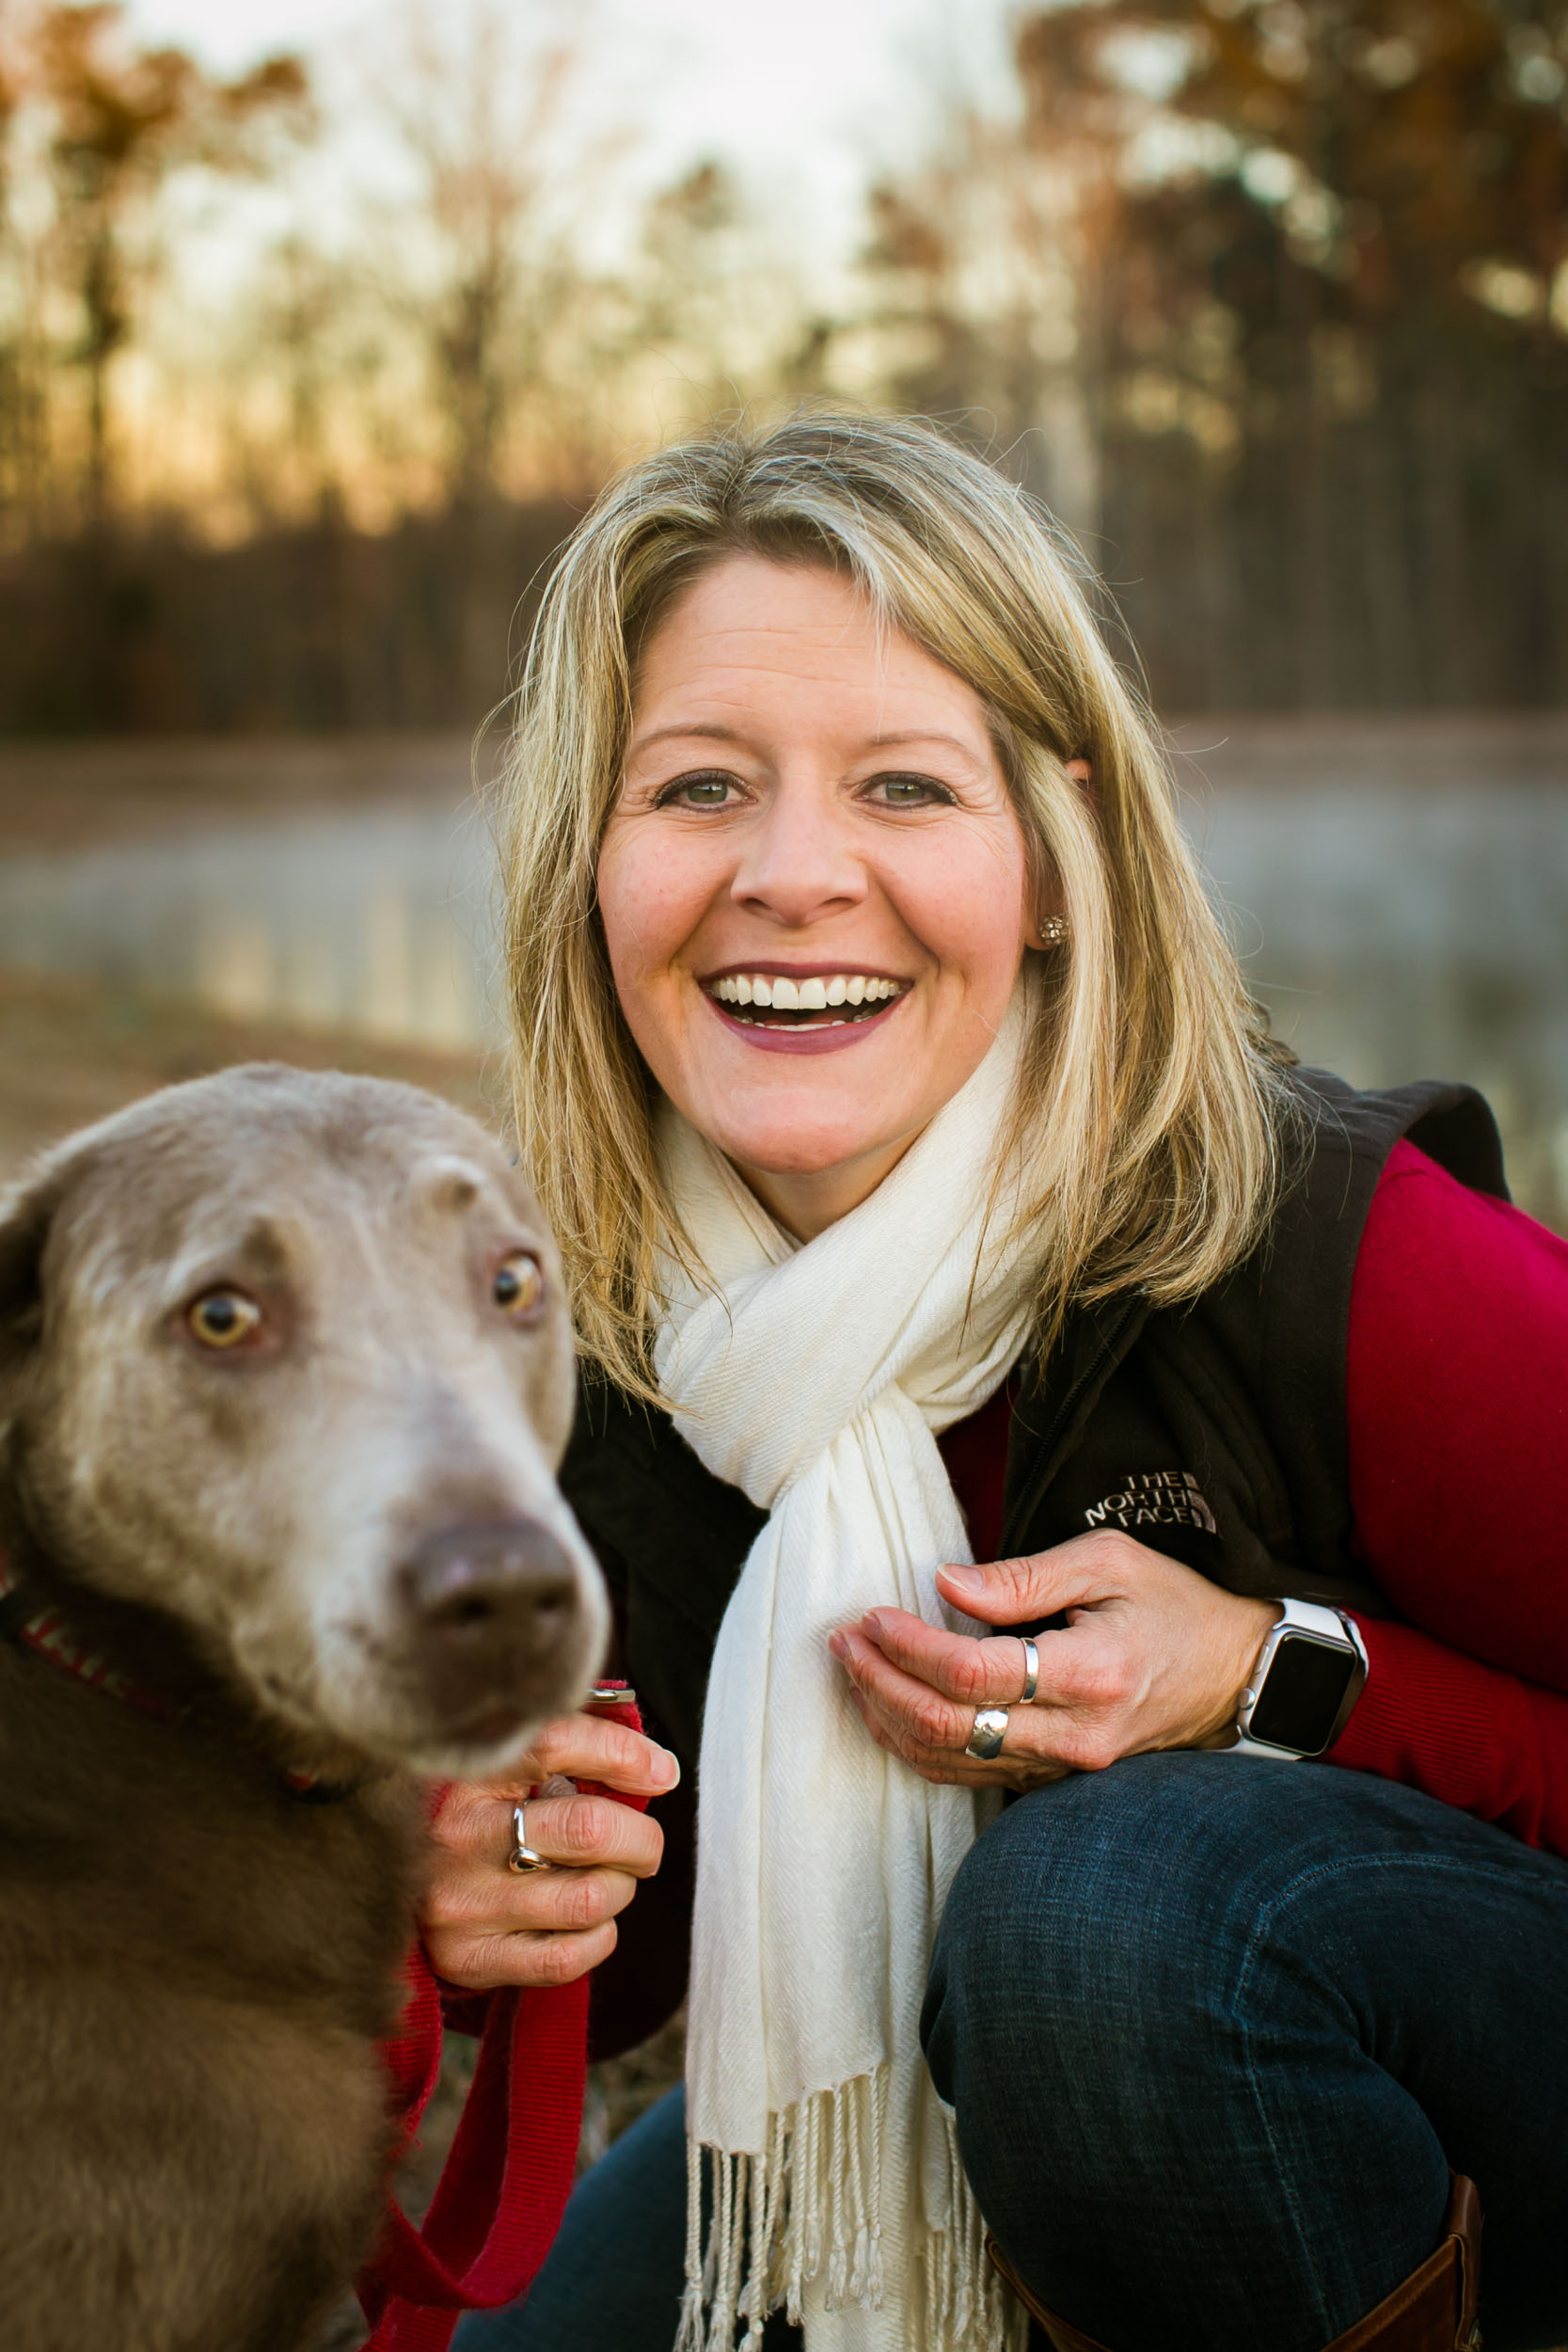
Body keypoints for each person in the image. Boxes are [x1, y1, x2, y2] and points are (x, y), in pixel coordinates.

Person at [424, 412, 1568, 2352]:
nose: (793, 876)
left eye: (902, 785)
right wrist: (461, 1888)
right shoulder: (594, 1330)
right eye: (698, 785)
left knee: (1106, 1915)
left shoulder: (1329, 1242)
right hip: (909, 2083)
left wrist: (1274, 1672)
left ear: (1055, 855)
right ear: (590, 866)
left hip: (1449, 2059)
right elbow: (613, 1962)